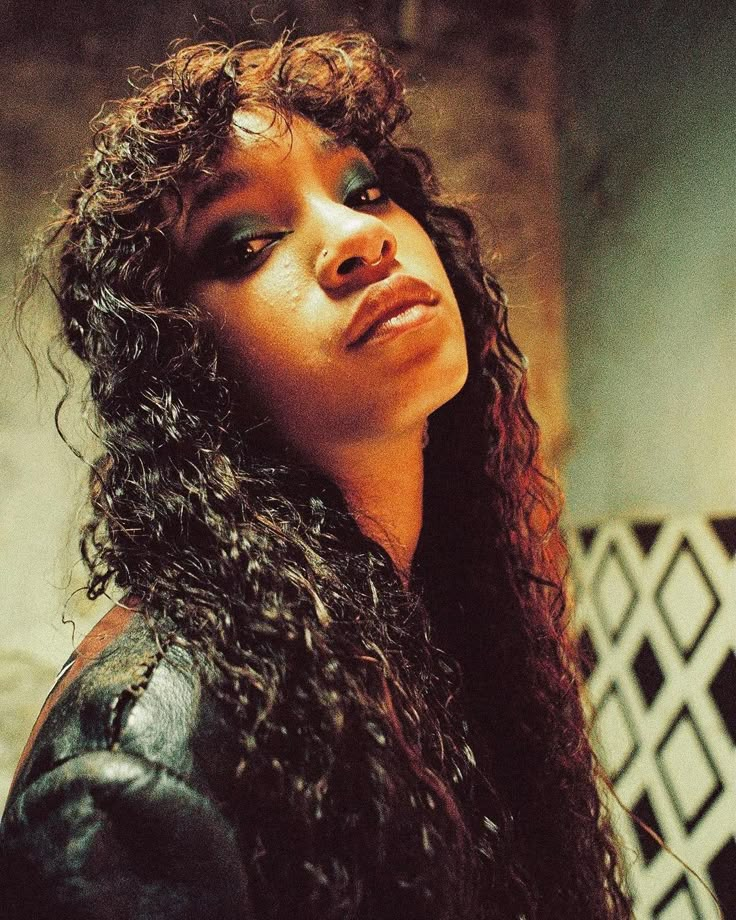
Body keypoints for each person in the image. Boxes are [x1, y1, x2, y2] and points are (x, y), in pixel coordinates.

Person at [0, 30, 633, 920]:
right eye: (246, 242)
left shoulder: (433, 628)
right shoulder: (138, 755)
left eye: (365, 190)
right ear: (189, 367)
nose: (357, 237)